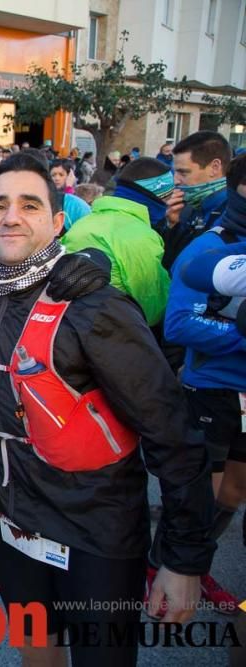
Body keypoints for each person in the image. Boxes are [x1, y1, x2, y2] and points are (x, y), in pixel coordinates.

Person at [0, 152, 215, 666]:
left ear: (58, 222)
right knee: (37, 651)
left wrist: (183, 561)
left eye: (30, 205)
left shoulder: (95, 306)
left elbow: (172, 431)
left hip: (97, 537)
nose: (11, 216)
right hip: (15, 526)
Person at [163, 151, 246, 613]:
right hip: (211, 390)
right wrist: (240, 338)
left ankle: (196, 565)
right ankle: (175, 567)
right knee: (201, 497)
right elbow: (179, 325)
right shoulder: (209, 248)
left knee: (235, 492)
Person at [62, 157, 173, 326]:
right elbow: (152, 309)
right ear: (159, 197)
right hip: (113, 330)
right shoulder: (141, 236)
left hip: (69, 326)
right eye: (170, 196)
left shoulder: (83, 222)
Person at [159, 131, 231, 269]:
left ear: (214, 167)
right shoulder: (188, 207)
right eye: (175, 172)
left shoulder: (235, 214)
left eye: (183, 172)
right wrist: (173, 226)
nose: (176, 180)